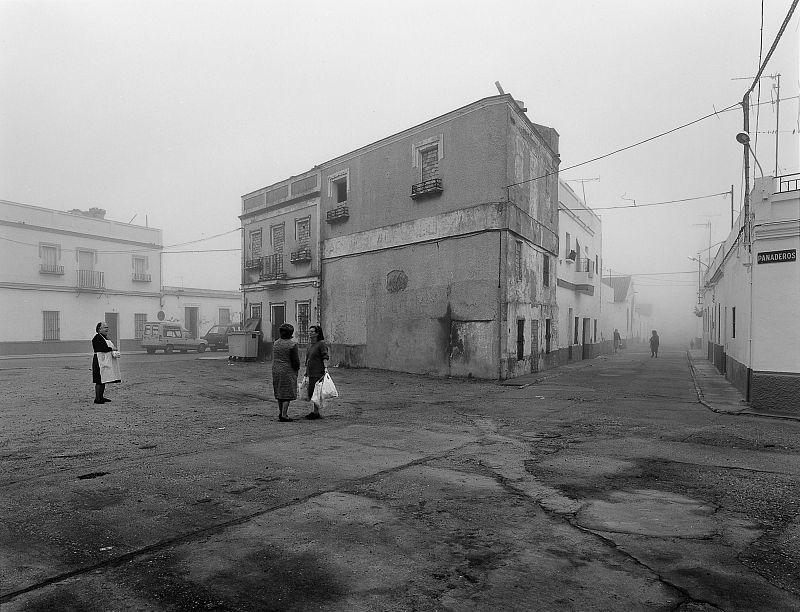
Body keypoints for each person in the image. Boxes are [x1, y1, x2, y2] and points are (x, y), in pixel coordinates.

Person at [271, 323, 300, 422]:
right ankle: (284, 415)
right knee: (287, 392)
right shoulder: (292, 345)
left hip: (276, 369)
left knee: (280, 392)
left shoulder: (276, 343)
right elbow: (295, 361)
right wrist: (297, 369)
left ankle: (280, 412)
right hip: (287, 370)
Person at [304, 325, 329, 420]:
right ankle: (315, 411)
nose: (310, 333)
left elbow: (325, 356)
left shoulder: (321, 344)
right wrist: (306, 371)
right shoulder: (310, 345)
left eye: (312, 332)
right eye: (309, 331)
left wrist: (325, 368)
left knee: (316, 392)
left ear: (317, 333)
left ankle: (316, 412)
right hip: (310, 372)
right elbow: (308, 359)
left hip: (318, 371)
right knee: (311, 392)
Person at [92, 322, 121, 404]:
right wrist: (111, 348)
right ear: (99, 329)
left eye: (107, 327)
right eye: (105, 327)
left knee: (104, 379)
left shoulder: (105, 338)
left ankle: (101, 397)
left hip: (104, 361)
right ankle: (97, 399)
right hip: (99, 361)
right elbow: (100, 348)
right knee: (99, 380)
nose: (107, 329)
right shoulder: (96, 338)